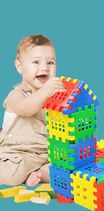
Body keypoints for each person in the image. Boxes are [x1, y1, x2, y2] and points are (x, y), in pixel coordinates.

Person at [0, 34, 65, 186]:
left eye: (51, 62)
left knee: (67, 167)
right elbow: (25, 109)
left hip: (46, 154)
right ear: (19, 66)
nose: (44, 67)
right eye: (36, 62)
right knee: (13, 173)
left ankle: (39, 175)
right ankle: (25, 173)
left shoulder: (54, 97)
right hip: (17, 152)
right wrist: (46, 92)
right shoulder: (16, 94)